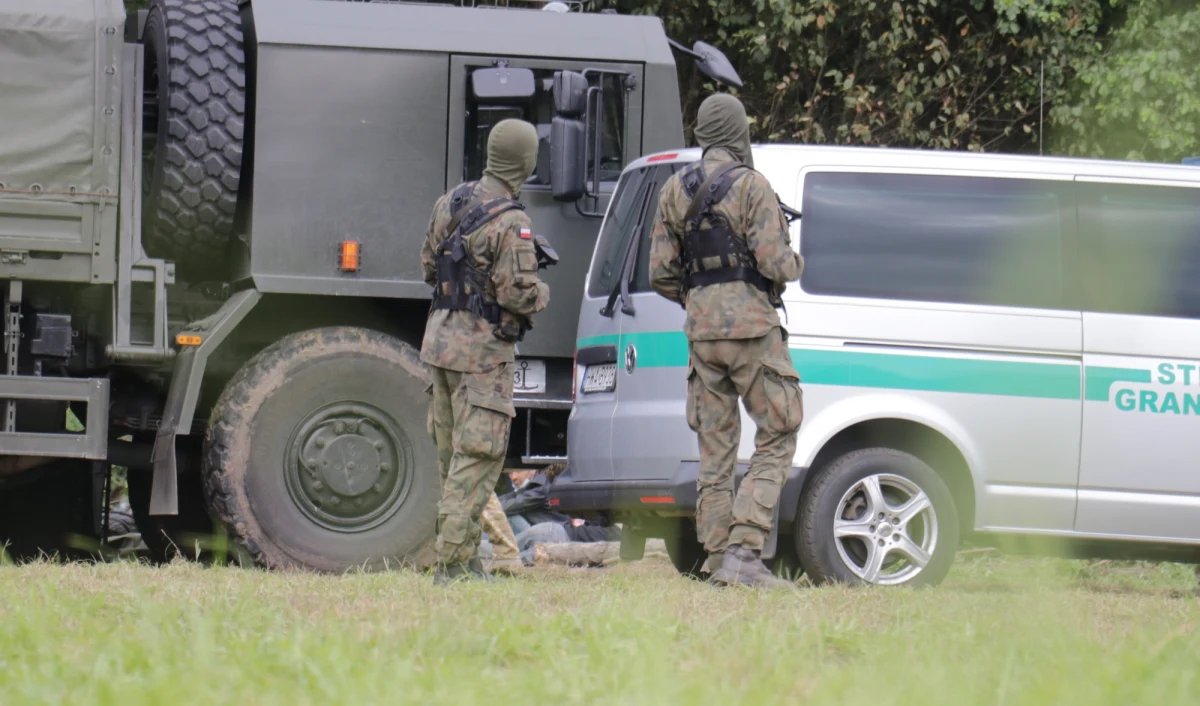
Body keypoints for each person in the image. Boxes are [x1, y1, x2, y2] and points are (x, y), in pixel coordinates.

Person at [648, 93, 804, 589]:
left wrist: (701, 303)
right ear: (738, 131)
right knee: (779, 431)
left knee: (714, 452)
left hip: (701, 336)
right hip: (753, 333)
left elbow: (660, 274)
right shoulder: (753, 186)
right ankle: (744, 550)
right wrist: (796, 263)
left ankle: (717, 561)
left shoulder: (674, 189)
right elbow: (778, 265)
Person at [420, 118, 550, 584]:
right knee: (477, 459)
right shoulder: (514, 221)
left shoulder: (450, 202)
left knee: (451, 458)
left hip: (439, 343)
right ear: (526, 162)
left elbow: (427, 269)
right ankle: (453, 566)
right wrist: (543, 293)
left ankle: (464, 559)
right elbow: (517, 295)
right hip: (482, 354)